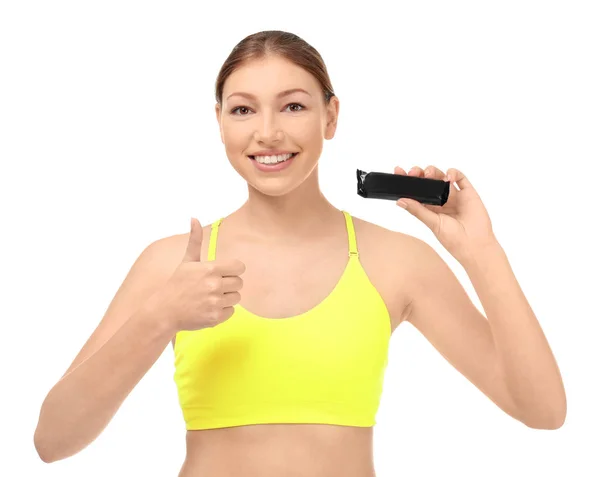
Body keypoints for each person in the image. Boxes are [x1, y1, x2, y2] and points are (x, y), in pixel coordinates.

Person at [33, 30, 567, 476]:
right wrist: (159, 317)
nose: (268, 133)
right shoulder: (172, 265)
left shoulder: (397, 262)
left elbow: (542, 411)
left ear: (330, 118)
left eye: (293, 106)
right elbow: (53, 440)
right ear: (219, 121)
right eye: (243, 109)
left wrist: (482, 253)